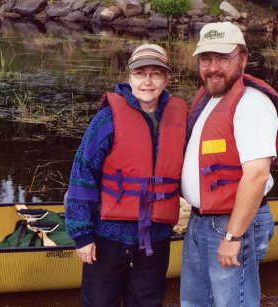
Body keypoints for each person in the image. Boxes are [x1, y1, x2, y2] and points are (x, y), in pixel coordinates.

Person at [65, 43, 187, 307]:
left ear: (166, 78)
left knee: (146, 302)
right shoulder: (107, 119)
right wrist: (82, 234)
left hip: (155, 237)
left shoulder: (179, 118)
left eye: (155, 73)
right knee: (100, 302)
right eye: (140, 73)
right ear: (129, 76)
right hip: (108, 236)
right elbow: (81, 175)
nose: (147, 81)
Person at [180, 22, 278, 307]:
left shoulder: (251, 104)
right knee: (195, 300)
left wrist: (233, 236)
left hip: (230, 223)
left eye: (222, 58)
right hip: (201, 220)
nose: (213, 68)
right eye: (206, 59)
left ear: (243, 58)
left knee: (232, 302)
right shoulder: (210, 99)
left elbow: (256, 175)